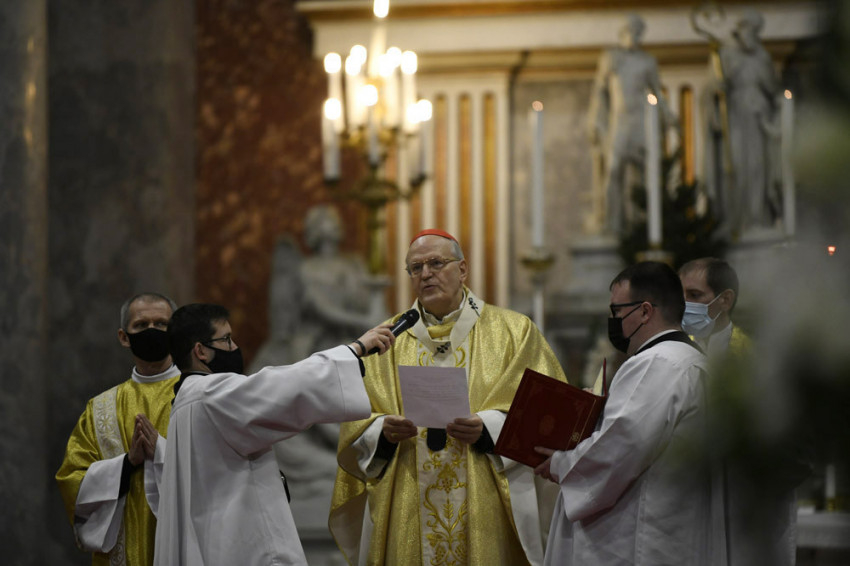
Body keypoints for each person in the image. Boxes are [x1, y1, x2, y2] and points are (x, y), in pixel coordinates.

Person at [330, 229, 568, 566]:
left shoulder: (514, 332)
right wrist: (382, 432)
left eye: (436, 263)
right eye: (416, 268)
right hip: (407, 501)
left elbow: (551, 415)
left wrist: (489, 428)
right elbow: (354, 424)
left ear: (463, 269)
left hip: (486, 504)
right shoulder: (384, 341)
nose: (425, 274)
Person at [152, 303, 395, 565]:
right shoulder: (210, 394)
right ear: (201, 351)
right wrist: (354, 350)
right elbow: (285, 385)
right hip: (242, 547)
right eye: (226, 339)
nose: (234, 347)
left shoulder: (185, 400)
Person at [535, 261, 720, 565]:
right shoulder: (690, 359)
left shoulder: (656, 363)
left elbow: (622, 444)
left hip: (641, 537)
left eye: (617, 311)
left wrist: (559, 463)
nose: (614, 321)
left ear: (645, 311)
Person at [679, 257, 800, 566]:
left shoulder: (755, 360)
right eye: (681, 295)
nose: (684, 304)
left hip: (740, 501)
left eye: (694, 295)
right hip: (688, 502)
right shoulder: (676, 351)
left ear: (725, 300)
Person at [56, 292, 180, 566]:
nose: (152, 330)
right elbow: (72, 480)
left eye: (161, 324)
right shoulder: (100, 408)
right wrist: (126, 464)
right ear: (124, 337)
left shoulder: (198, 396)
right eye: (141, 325)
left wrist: (160, 451)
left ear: (176, 332)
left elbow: (217, 471)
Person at [588, 13, 677, 236]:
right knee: (613, 170)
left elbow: (657, 91)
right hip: (619, 121)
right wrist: (596, 120)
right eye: (629, 31)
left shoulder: (647, 61)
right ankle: (612, 223)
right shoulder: (611, 58)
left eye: (637, 32)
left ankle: (644, 224)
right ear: (622, 34)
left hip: (641, 121)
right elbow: (600, 91)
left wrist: (668, 116)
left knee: (647, 172)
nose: (633, 36)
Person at [704, 9, 783, 237]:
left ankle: (757, 218)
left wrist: (779, 108)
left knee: (758, 167)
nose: (749, 34)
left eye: (753, 30)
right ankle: (735, 219)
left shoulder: (762, 57)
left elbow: (773, 89)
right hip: (734, 117)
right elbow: (711, 90)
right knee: (735, 167)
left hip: (758, 118)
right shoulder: (724, 56)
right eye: (745, 28)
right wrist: (716, 90)